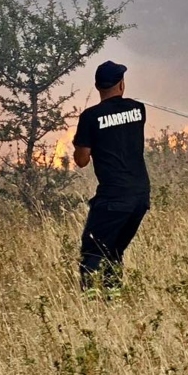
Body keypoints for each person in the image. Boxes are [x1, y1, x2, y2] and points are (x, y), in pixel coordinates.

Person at [72, 60, 151, 293]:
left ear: (97, 86)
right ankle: (112, 300)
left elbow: (81, 160)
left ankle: (88, 304)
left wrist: (79, 143)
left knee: (92, 252)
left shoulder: (90, 117)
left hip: (114, 197)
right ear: (121, 84)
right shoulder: (139, 109)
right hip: (140, 196)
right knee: (114, 252)